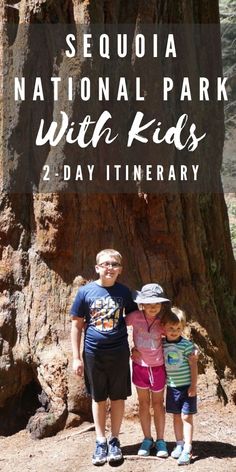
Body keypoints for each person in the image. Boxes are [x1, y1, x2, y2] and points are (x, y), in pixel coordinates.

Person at [70, 249, 137, 466]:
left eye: (114, 264)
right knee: (98, 398)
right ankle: (100, 441)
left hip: (118, 352)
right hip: (92, 353)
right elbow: (76, 325)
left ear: (120, 269)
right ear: (97, 268)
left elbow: (134, 317)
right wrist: (76, 357)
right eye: (105, 264)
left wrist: (137, 344)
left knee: (118, 397)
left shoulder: (125, 292)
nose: (110, 267)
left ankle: (115, 440)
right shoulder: (85, 292)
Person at [125, 283, 170, 458]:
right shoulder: (134, 317)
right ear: (141, 303)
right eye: (149, 304)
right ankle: (147, 439)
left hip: (158, 367)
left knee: (158, 404)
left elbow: (174, 336)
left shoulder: (164, 320)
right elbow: (119, 330)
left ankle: (160, 440)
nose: (153, 307)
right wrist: (130, 347)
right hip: (139, 366)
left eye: (157, 304)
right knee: (143, 404)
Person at [161, 307, 198, 465]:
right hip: (172, 387)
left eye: (178, 328)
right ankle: (179, 444)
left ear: (183, 328)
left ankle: (188, 448)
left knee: (186, 417)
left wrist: (194, 386)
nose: (175, 331)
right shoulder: (162, 344)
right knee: (176, 416)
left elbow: (193, 366)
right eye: (171, 328)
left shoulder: (187, 345)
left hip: (186, 387)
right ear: (164, 327)